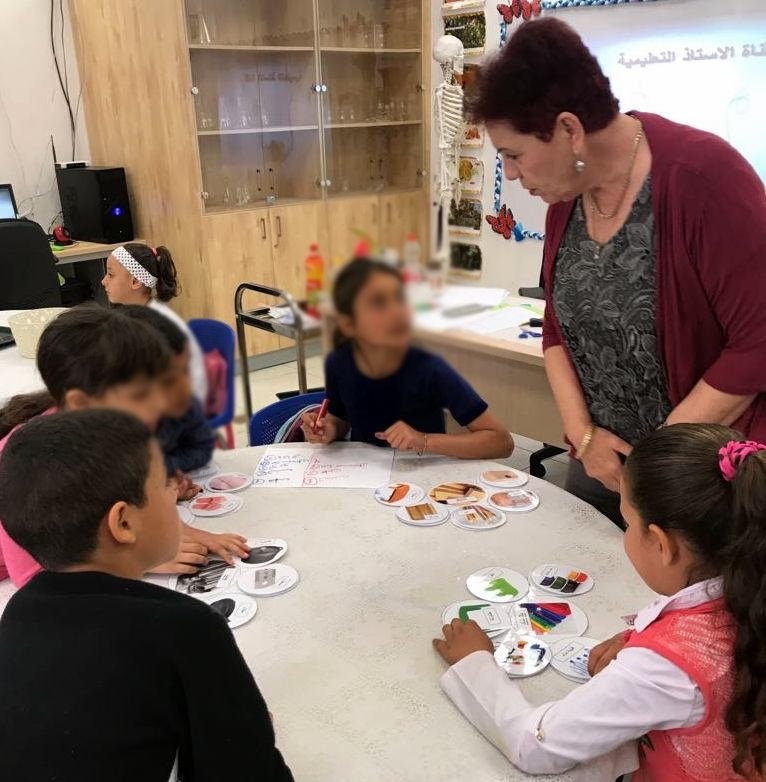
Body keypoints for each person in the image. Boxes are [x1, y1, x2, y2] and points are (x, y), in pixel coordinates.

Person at [467, 18, 766, 525]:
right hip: (600, 462)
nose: (512, 175)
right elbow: (556, 327)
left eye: (514, 156)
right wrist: (584, 438)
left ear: (569, 130)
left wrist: (654, 466)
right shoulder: (567, 196)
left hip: (698, 479)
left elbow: (756, 345)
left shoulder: (704, 177)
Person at [433, 423, 766, 781]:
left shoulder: (666, 669)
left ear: (661, 544)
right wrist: (642, 641)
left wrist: (474, 663)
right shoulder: (751, 587)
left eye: (628, 522)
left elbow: (537, 746)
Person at [0, 410, 293, 782]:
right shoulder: (187, 627)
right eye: (165, 483)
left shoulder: (18, 612)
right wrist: (243, 728)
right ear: (123, 523)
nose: (176, 491)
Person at [0, 306, 248, 587]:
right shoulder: (29, 460)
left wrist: (191, 531)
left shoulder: (115, 430)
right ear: (82, 402)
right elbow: (30, 579)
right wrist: (139, 561)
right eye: (140, 394)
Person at [301, 258, 513, 459]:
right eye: (378, 303)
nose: (396, 312)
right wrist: (329, 428)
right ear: (349, 324)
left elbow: (502, 442)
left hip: (421, 473)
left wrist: (424, 441)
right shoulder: (339, 363)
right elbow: (339, 418)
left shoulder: (429, 369)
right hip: (365, 471)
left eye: (399, 298)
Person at [101, 241, 209, 406]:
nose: (103, 281)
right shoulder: (135, 314)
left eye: (110, 274)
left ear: (135, 282)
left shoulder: (157, 325)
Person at [122, 306, 216, 492]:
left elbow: (202, 447)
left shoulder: (183, 405)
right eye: (168, 380)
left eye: (185, 370)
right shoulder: (103, 428)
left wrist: (166, 471)